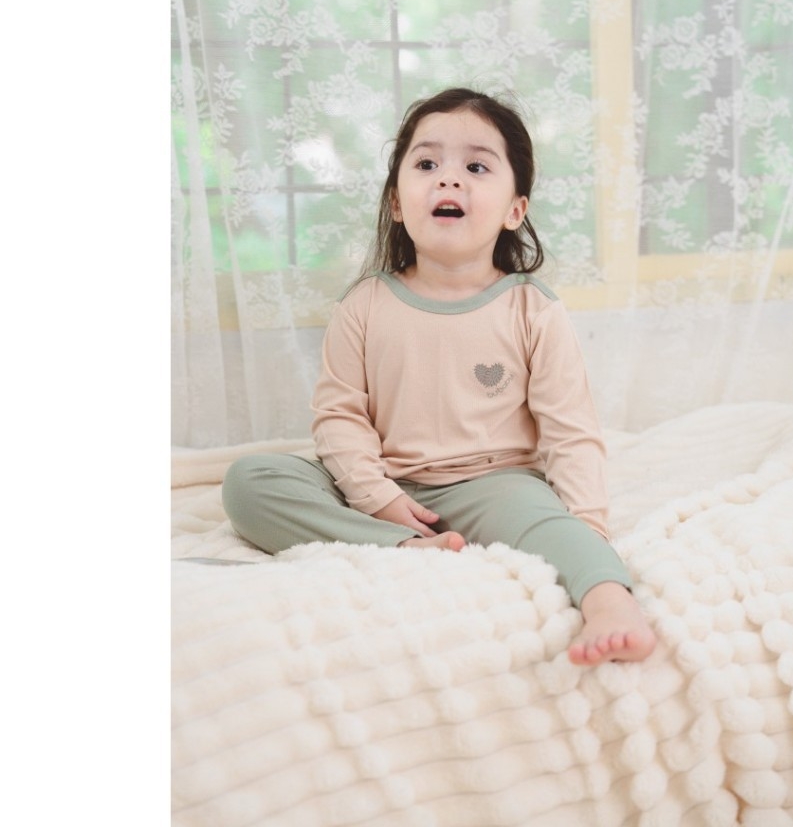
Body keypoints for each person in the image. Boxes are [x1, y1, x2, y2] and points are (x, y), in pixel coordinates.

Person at [222, 87, 656, 666]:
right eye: (427, 164)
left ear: (514, 211)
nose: (448, 178)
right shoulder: (365, 305)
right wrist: (377, 498)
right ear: (397, 203)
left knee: (557, 526)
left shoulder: (533, 309)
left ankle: (609, 603)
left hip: (494, 486)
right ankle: (406, 547)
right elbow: (339, 416)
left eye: (476, 167)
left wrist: (586, 528)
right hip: (386, 485)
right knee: (250, 482)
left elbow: (570, 431)